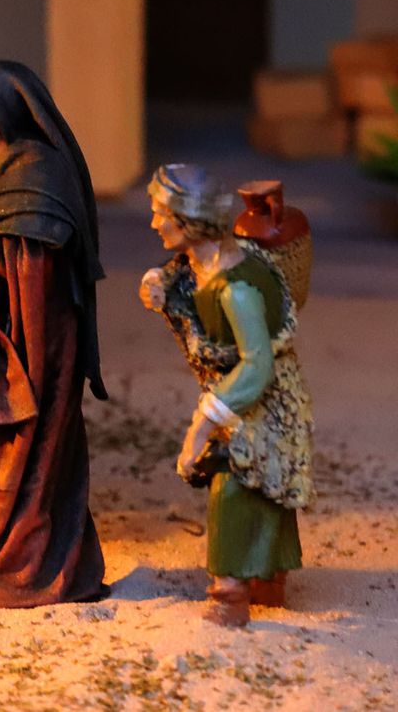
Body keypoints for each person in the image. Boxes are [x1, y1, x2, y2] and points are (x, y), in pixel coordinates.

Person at [0, 59, 108, 606]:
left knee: (7, 451)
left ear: (3, 108)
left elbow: (38, 256)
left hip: (35, 344)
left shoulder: (39, 171)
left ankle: (10, 556)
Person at [139, 164, 314, 627]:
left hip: (266, 400)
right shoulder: (204, 262)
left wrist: (203, 425)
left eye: (162, 214)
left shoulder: (237, 289)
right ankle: (266, 577)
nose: (155, 223)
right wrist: (162, 283)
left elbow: (256, 367)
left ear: (191, 220)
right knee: (256, 487)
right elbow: (190, 278)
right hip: (236, 388)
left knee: (233, 476)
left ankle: (231, 594)